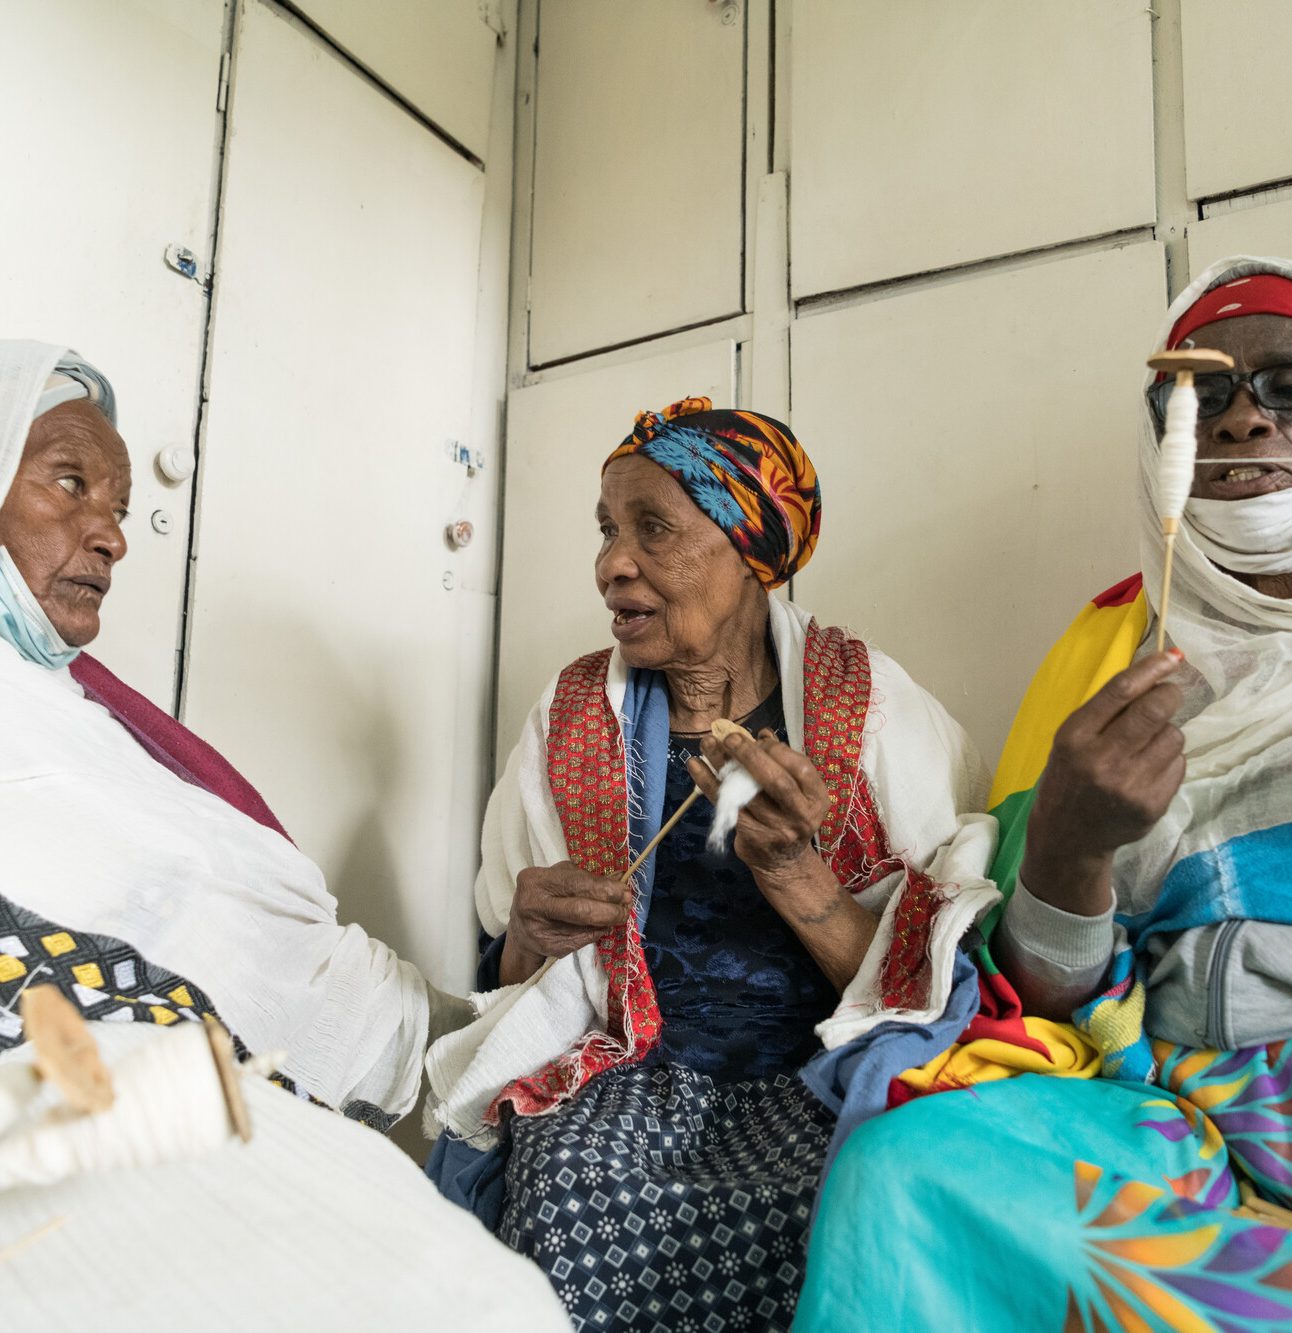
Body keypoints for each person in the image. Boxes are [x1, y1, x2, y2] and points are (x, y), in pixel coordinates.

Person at [425, 397, 999, 1331]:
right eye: (608, 530)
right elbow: (509, 979)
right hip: (631, 1066)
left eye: (655, 529)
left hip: (815, 1070)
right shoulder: (570, 714)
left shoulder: (874, 708)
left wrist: (793, 874)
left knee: (848, 1191)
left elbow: (942, 989)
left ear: (752, 553)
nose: (613, 564)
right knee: (567, 1174)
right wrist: (529, 930)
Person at [795, 256, 1292, 1330]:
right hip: (1170, 1122)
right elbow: (1045, 1008)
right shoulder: (1108, 650)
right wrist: (1067, 856)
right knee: (902, 1176)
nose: (1246, 422)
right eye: (1201, 394)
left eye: (1287, 387)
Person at [0, 340, 468, 1128]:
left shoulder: (76, 704)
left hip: (349, 1059)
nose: (112, 537)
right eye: (70, 482)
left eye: (116, 510)